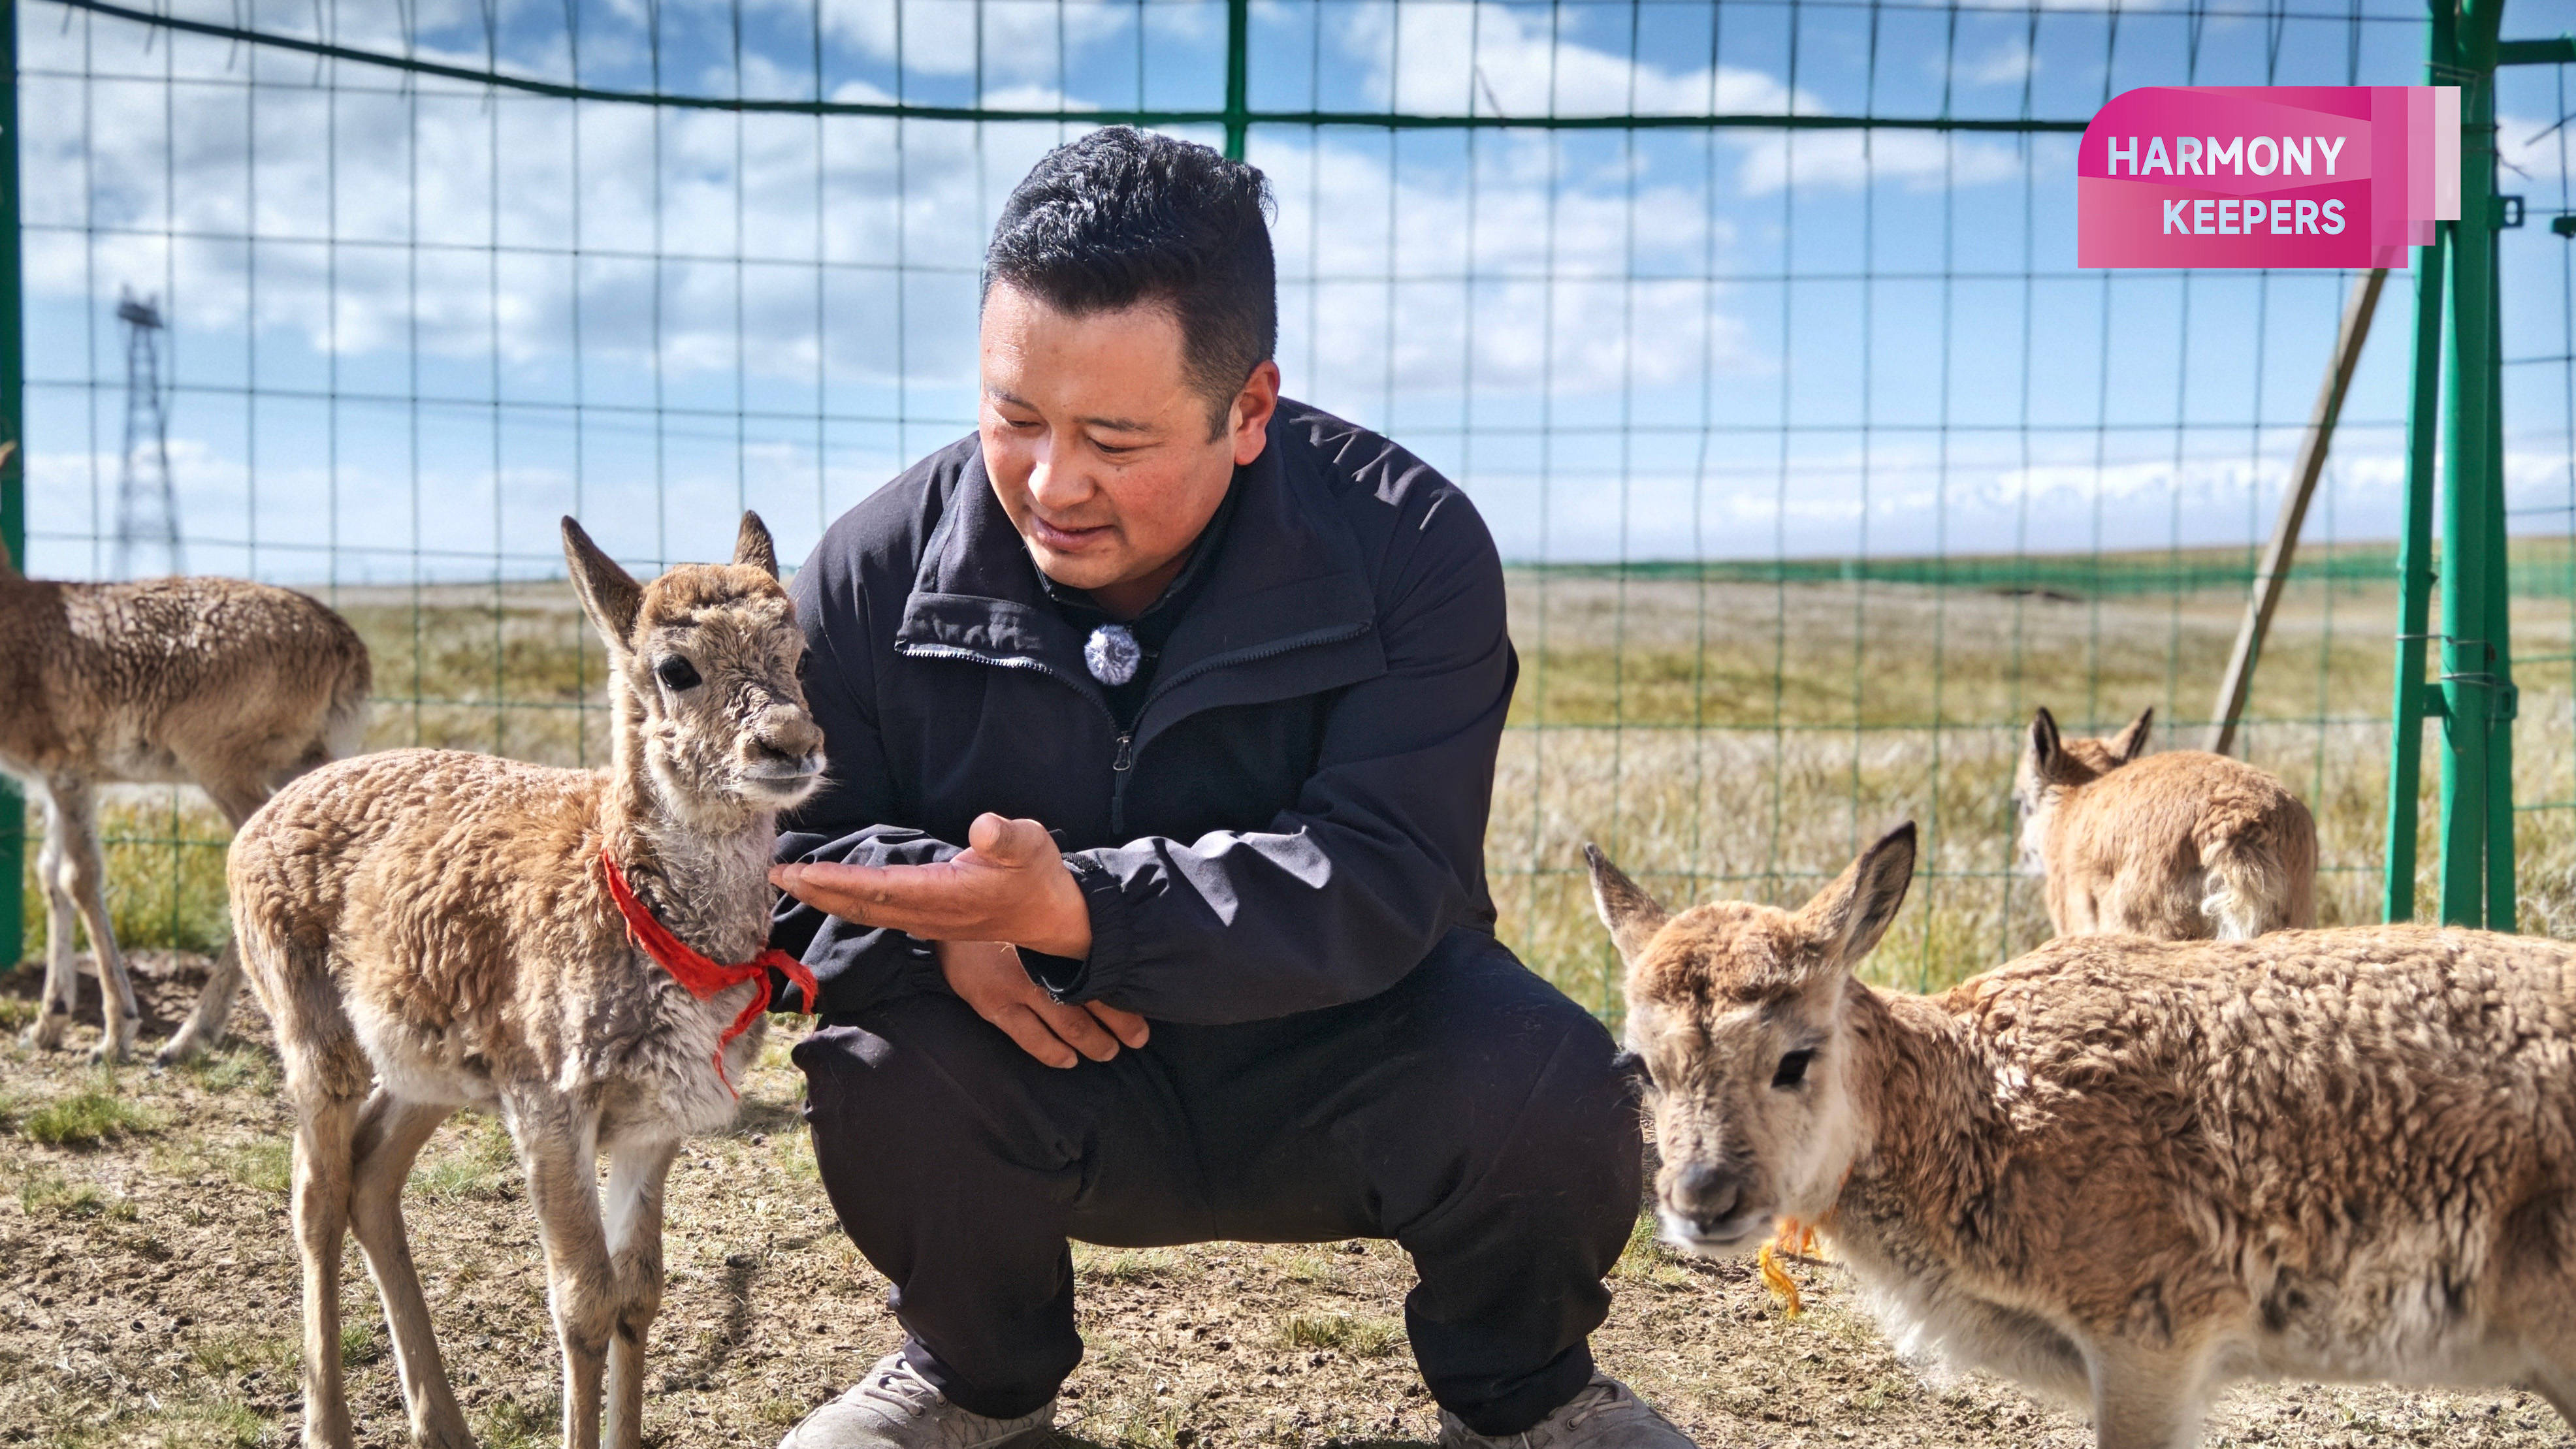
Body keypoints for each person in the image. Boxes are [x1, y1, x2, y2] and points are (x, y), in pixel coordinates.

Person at [765, 126, 1683, 1449]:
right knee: (881, 1065)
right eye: (1012, 418)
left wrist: (1072, 908)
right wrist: (944, 936)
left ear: (1249, 410)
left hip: (1346, 1049)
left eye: (1114, 440)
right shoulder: (867, 572)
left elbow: (1386, 873)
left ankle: (1525, 1394)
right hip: (1032, 1063)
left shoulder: (1408, 548)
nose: (1049, 482)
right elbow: (779, 859)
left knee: (1546, 1080)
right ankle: (970, 1381)